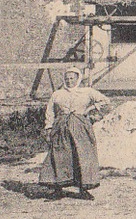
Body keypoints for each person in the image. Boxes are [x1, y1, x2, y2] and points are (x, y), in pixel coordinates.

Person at [39, 66, 112, 200]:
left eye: (72, 78)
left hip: (80, 128)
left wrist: (90, 109)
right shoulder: (57, 94)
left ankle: (83, 190)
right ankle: (57, 189)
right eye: (66, 78)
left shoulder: (87, 92)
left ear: (78, 78)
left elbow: (105, 101)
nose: (69, 81)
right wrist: (48, 127)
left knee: (82, 156)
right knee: (59, 155)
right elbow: (50, 112)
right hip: (61, 128)